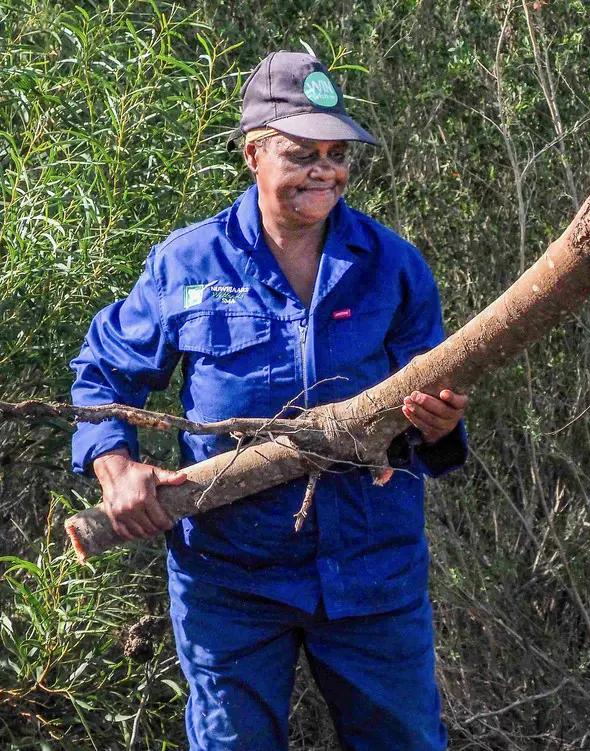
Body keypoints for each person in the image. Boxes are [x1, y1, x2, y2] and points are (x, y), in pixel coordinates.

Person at [70, 51, 469, 751]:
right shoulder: (189, 265)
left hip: (373, 573)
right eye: (302, 152)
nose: (326, 170)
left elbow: (424, 411)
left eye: (336, 153)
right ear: (253, 152)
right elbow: (103, 374)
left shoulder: (393, 266)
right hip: (231, 581)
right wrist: (116, 468)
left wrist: (437, 424)